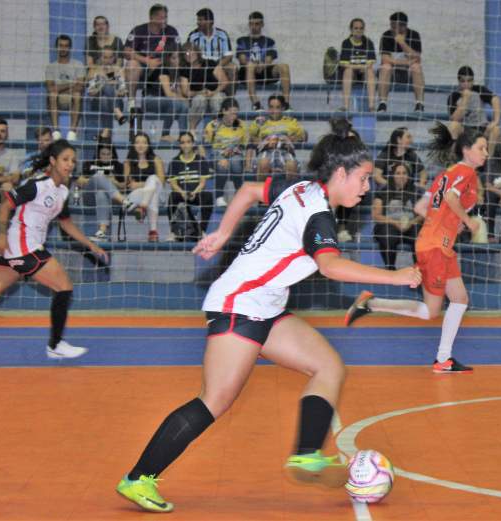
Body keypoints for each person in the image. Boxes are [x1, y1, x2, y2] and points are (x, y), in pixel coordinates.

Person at [115, 118, 421, 513]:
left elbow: (246, 190)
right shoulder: (318, 216)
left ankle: (307, 453)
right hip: (239, 305)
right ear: (341, 173)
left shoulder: (300, 188)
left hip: (265, 306)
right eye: (362, 179)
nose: (366, 188)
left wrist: (225, 233)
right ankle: (138, 478)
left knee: (328, 366)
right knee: (215, 400)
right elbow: (330, 266)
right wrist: (395, 277)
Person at [345, 123, 487, 374]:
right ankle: (372, 303)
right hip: (436, 246)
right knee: (430, 311)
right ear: (466, 150)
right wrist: (468, 221)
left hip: (439, 244)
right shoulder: (466, 172)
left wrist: (451, 222)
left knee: (460, 299)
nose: (486, 153)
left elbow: (421, 208)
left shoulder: (446, 174)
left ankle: (444, 359)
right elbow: (451, 199)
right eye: (481, 148)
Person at [0, 140, 108, 358]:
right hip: (22, 247)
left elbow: (66, 223)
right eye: (65, 159)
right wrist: (1, 235)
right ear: (53, 161)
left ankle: (55, 345)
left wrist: (91, 244)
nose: (70, 165)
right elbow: (5, 205)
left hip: (24, 249)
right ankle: (55, 346)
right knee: (64, 286)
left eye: (73, 161)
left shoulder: (63, 191)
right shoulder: (37, 185)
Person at [124, 4, 180, 111]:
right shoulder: (139, 30)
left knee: (178, 60)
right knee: (131, 64)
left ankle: (177, 94)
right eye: (161, 18)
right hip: (143, 68)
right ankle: (131, 103)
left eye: (166, 17)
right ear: (152, 18)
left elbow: (177, 52)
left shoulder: (171, 31)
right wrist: (147, 61)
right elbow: (126, 52)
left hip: (163, 68)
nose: (165, 20)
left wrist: (162, 62)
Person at [236, 11, 292, 110]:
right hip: (246, 73)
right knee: (250, 65)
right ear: (249, 24)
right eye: (252, 24)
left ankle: (286, 104)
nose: (254, 26)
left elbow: (269, 60)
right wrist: (255, 64)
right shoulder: (242, 40)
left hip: (264, 71)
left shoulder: (269, 41)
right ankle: (256, 103)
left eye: (257, 24)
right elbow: (242, 60)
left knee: (284, 66)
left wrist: (262, 64)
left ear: (262, 24)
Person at [372, 162, 422, 270]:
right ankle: (390, 269)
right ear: (392, 175)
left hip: (410, 226)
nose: (401, 176)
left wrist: (411, 223)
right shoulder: (383, 191)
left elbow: (423, 215)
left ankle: (419, 270)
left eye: (404, 173)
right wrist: (395, 222)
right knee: (388, 234)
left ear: (408, 175)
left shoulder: (416, 191)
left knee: (419, 232)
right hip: (389, 225)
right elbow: (376, 215)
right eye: (398, 173)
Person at [76, 140, 128, 241]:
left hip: (112, 200)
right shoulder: (89, 164)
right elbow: (79, 181)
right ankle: (124, 200)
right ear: (98, 154)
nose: (105, 156)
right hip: (90, 196)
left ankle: (102, 232)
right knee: (99, 177)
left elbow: (124, 186)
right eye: (103, 154)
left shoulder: (118, 166)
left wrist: (113, 181)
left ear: (113, 154)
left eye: (108, 154)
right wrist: (99, 179)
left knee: (101, 193)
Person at [166, 131, 213, 241]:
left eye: (188, 142)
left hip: (196, 193)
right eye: (182, 142)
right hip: (181, 194)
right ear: (179, 145)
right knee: (172, 197)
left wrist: (194, 193)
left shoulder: (201, 160)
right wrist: (182, 193)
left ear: (192, 144)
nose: (185, 145)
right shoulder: (174, 162)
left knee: (208, 197)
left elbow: (202, 183)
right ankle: (173, 232)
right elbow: (173, 184)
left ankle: (202, 231)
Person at [204, 97, 250, 208]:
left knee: (235, 163)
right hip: (217, 153)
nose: (234, 116)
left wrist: (247, 162)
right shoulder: (213, 125)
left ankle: (238, 195)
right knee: (223, 165)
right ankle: (219, 197)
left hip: (236, 153)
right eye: (231, 113)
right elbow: (206, 146)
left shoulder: (242, 125)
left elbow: (247, 146)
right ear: (224, 111)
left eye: (236, 113)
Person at [250, 95, 306, 183]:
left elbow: (304, 136)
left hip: (285, 151)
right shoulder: (260, 121)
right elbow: (250, 137)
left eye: (277, 107)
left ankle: (288, 195)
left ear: (283, 108)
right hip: (266, 151)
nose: (273, 111)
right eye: (271, 107)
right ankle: (262, 194)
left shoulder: (290, 122)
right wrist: (261, 142)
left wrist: (292, 139)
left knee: (291, 165)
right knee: (263, 163)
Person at [377, 11, 424, 112]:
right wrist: (406, 63)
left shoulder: (414, 35)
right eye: (392, 26)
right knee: (385, 67)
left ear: (404, 27)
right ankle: (382, 103)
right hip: (392, 72)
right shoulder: (386, 35)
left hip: (408, 73)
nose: (392, 29)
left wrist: (402, 43)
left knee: (416, 67)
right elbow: (385, 59)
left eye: (395, 27)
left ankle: (419, 104)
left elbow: (417, 58)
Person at [447, 66, 501, 153]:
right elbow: (455, 119)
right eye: (463, 81)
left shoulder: (478, 89)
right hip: (465, 130)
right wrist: (465, 99)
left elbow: (495, 99)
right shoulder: (454, 96)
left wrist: (496, 121)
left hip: (482, 129)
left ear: (473, 81)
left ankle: (489, 161)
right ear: (458, 82)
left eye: (469, 81)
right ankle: (453, 160)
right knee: (453, 126)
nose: (466, 84)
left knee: (496, 129)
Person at [141, 44, 189, 142]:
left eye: (179, 57)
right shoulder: (163, 69)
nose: (177, 61)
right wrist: (184, 99)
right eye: (174, 58)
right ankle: (164, 134)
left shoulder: (178, 71)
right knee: (174, 102)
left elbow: (180, 93)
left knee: (183, 106)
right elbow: (169, 94)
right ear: (168, 59)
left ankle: (183, 136)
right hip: (149, 100)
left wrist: (184, 98)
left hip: (164, 102)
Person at [123, 132, 165, 242]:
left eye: (144, 142)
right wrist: (142, 185)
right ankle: (153, 231)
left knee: (153, 179)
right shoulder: (128, 162)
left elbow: (161, 181)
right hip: (136, 198)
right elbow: (128, 185)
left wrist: (139, 184)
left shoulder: (156, 159)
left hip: (156, 195)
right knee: (152, 191)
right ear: (133, 145)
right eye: (137, 142)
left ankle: (143, 207)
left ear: (148, 145)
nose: (141, 145)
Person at [45, 35, 85, 142]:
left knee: (77, 95)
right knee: (52, 95)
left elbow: (80, 87)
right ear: (56, 47)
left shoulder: (78, 64)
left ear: (70, 48)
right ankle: (56, 131)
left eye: (66, 46)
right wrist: (71, 84)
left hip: (72, 98)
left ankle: (72, 132)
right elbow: (50, 88)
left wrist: (59, 88)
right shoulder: (50, 67)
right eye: (61, 46)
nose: (63, 48)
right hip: (57, 99)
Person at [180, 42, 228, 132]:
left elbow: (224, 82)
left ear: (197, 52)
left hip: (216, 92)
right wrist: (200, 92)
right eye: (186, 53)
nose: (189, 54)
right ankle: (192, 131)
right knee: (199, 99)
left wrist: (214, 92)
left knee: (216, 99)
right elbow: (185, 92)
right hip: (198, 95)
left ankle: (217, 130)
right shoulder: (184, 70)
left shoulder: (210, 63)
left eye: (192, 51)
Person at [187, 8, 236, 96]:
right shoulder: (193, 35)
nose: (198, 22)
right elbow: (187, 54)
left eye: (201, 20)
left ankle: (230, 98)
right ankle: (197, 95)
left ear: (210, 21)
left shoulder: (222, 34)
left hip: (218, 63)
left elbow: (228, 56)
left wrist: (219, 65)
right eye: (198, 20)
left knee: (232, 67)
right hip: (201, 64)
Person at [84, 46, 128, 140]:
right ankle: (117, 113)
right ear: (100, 57)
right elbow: (91, 92)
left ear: (114, 57)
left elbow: (123, 91)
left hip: (117, 101)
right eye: (105, 57)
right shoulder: (93, 70)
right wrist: (106, 83)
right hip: (96, 103)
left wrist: (104, 83)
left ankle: (106, 131)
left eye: (110, 57)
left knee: (105, 98)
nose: (108, 60)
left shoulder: (119, 70)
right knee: (104, 91)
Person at [339, 18, 377, 112]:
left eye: (361, 28)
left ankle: (371, 106)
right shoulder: (346, 43)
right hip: (352, 74)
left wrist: (362, 67)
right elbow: (345, 65)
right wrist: (360, 66)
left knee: (370, 72)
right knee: (348, 71)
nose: (359, 30)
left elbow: (370, 64)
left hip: (364, 73)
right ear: (351, 29)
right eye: (356, 28)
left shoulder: (368, 42)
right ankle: (345, 106)